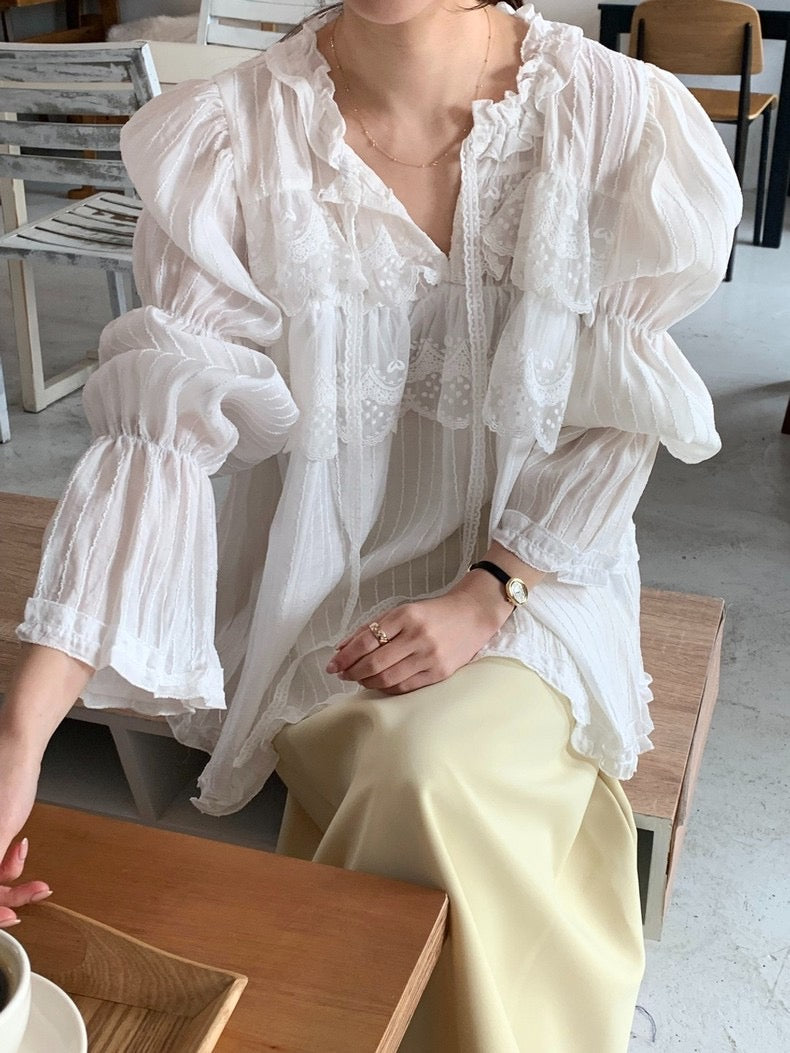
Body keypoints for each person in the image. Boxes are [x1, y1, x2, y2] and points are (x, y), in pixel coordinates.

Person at [0, 1, 741, 1049]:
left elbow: (614, 421)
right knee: (401, 770)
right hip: (323, 593)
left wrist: (489, 589)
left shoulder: (616, 117)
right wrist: (20, 736)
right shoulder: (232, 138)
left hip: (538, 569)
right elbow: (156, 447)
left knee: (421, 768)